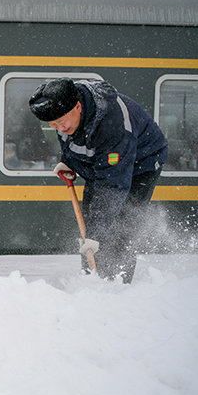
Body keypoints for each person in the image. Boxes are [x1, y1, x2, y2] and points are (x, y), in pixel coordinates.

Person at [28, 77, 168, 283]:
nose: (59, 127)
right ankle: (92, 279)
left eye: (61, 121)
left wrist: (97, 233)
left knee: (121, 223)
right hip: (102, 164)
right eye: (52, 124)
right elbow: (72, 141)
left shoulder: (112, 123)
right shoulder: (65, 114)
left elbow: (113, 184)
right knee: (91, 224)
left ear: (78, 106)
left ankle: (118, 285)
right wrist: (69, 162)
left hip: (141, 164)